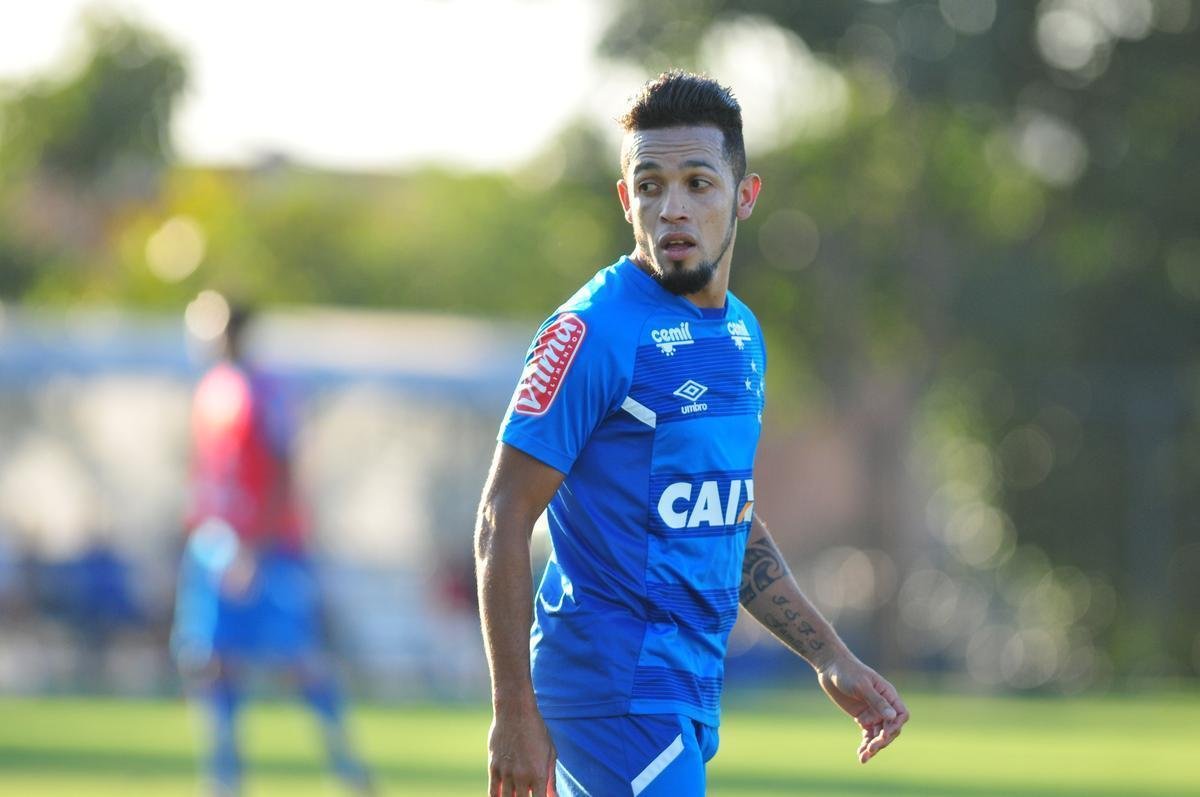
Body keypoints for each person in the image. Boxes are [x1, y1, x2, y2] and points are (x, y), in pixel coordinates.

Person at [474, 71, 910, 797]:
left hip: (684, 686)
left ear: (745, 195)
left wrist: (830, 656)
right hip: (612, 686)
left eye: (698, 183)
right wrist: (512, 711)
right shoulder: (591, 332)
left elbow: (726, 519)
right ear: (626, 200)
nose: (672, 208)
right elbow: (501, 517)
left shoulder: (741, 335)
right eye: (650, 185)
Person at [171, 305, 372, 796]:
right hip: (215, 544)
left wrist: (256, 547)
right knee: (209, 658)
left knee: (296, 659)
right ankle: (224, 779)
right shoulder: (209, 391)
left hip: (267, 546)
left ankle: (350, 770)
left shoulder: (265, 390)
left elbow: (284, 469)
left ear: (233, 330)